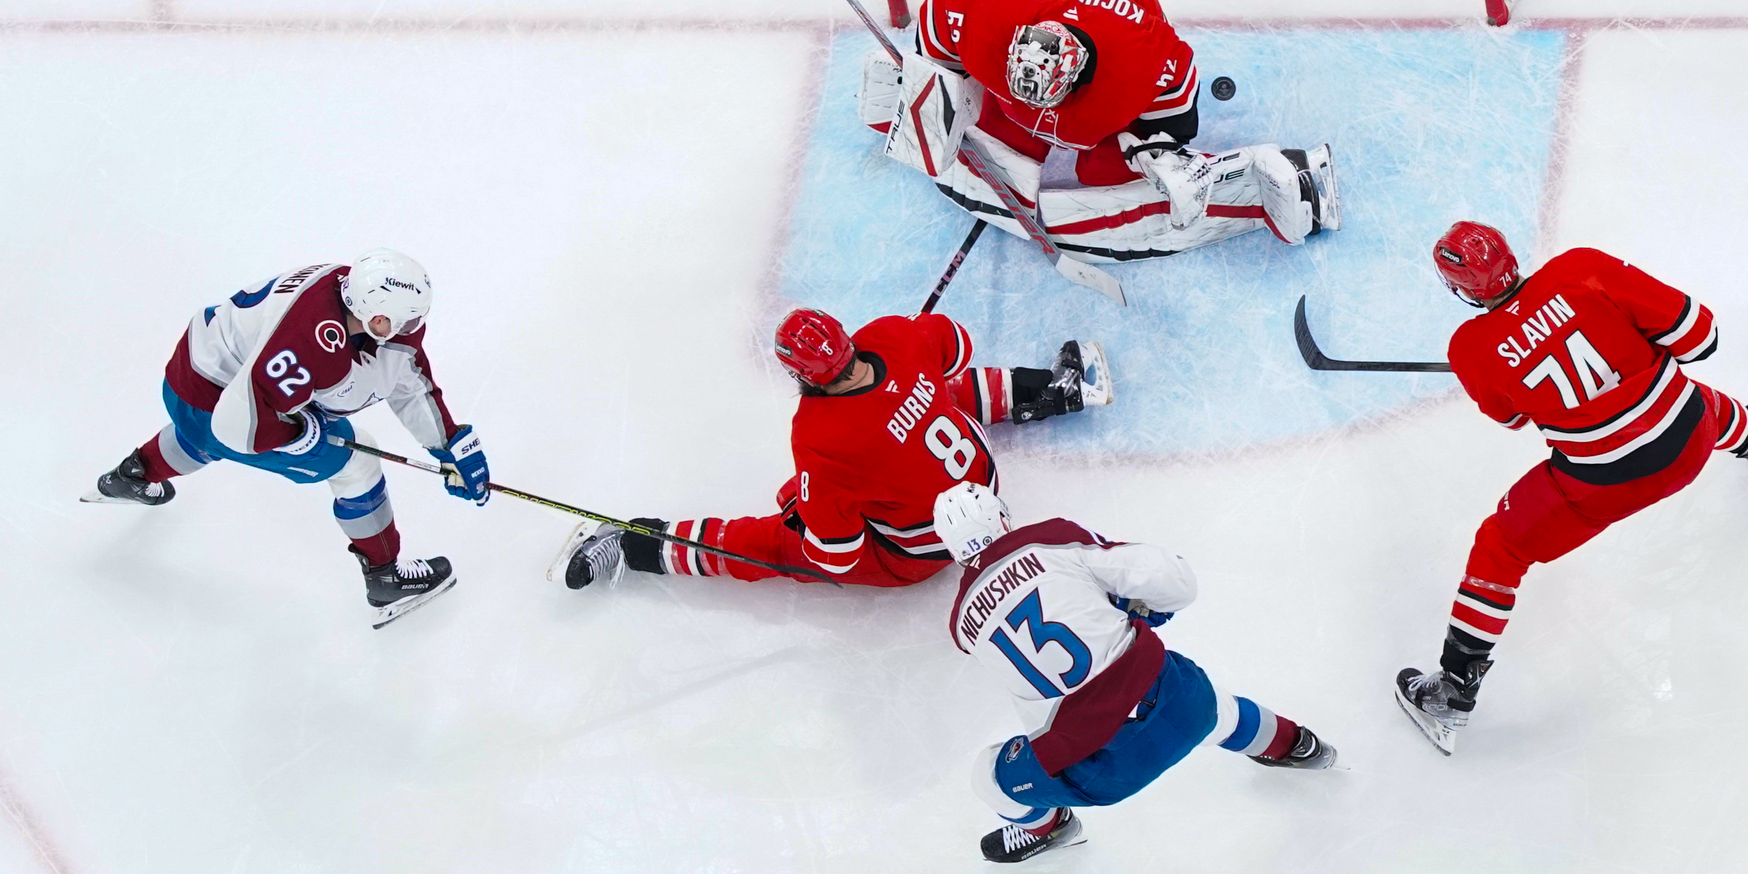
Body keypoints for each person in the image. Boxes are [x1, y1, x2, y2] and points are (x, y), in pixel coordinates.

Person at [1394, 224, 1748, 754]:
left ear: (1460, 289)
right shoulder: (1581, 268)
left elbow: (1513, 418)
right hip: (1691, 439)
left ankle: (1454, 689)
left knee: (1500, 546)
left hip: (1603, 484)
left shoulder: (1469, 348)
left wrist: (1508, 356)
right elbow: (1701, 337)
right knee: (1686, 399)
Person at [550, 308, 1108, 590]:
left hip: (925, 554)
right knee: (942, 389)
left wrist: (806, 507)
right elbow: (958, 345)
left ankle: (636, 544)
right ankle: (1057, 389)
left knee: (777, 541)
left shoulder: (821, 439)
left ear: (800, 375)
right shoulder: (893, 335)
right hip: (985, 484)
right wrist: (909, 363)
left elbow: (834, 556)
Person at [936, 483, 1334, 865]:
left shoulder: (961, 627)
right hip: (1180, 702)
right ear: (1001, 518)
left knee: (986, 777)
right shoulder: (1048, 538)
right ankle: (1296, 745)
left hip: (1101, 770)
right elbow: (1176, 581)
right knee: (1214, 711)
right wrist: (1139, 607)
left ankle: (1049, 827)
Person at [86, 251, 479, 625]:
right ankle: (386, 579)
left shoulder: (350, 289)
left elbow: (405, 374)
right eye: (405, 322)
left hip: (194, 375)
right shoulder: (313, 339)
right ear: (375, 317)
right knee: (358, 464)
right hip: (219, 409)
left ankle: (132, 475)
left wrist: (450, 443)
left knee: (200, 435)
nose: (413, 330)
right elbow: (234, 426)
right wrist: (297, 436)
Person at [858, 0, 1338, 259]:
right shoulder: (988, 22)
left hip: (1117, 33)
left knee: (1103, 173)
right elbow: (939, 16)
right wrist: (937, 82)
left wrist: (1155, 148)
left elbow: (1179, 105)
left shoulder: (1139, 64)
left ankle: (1264, 177)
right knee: (1007, 136)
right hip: (1050, 27)